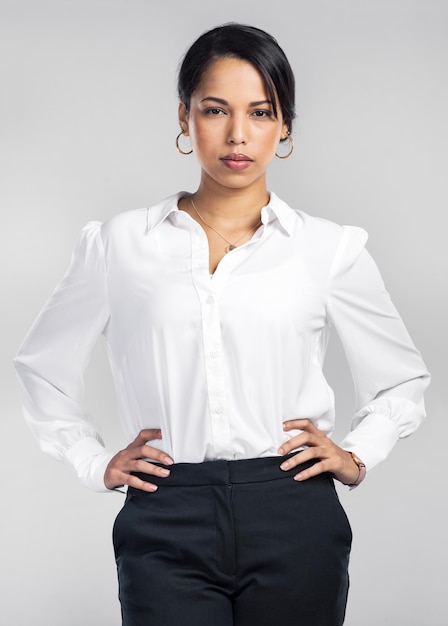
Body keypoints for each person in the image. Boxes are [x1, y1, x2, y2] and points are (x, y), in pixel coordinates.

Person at [14, 22, 430, 626]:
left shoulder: (327, 249)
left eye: (261, 112)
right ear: (184, 118)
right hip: (165, 511)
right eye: (216, 110)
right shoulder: (119, 245)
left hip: (293, 508)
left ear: (284, 125)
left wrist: (357, 454)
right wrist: (90, 460)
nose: (239, 134)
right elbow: (40, 367)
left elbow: (401, 379)